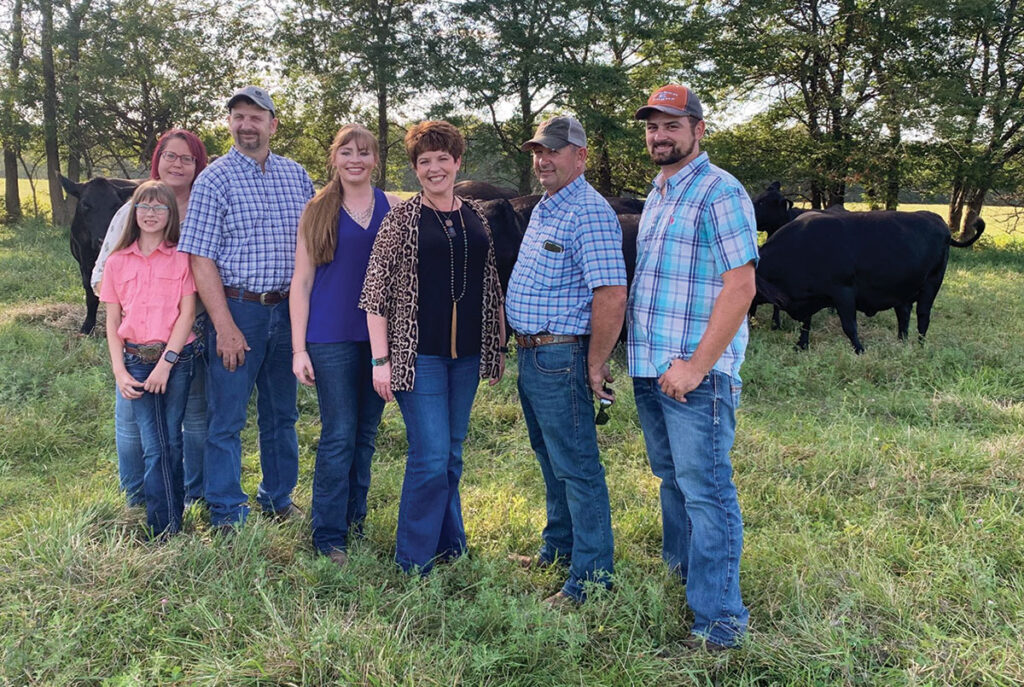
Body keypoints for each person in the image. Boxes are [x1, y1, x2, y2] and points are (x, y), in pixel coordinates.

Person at [629, 85, 759, 650]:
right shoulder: (659, 192)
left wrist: (698, 367)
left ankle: (720, 623)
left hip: (693, 376)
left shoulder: (719, 191)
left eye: (672, 125)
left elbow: (742, 285)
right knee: (673, 480)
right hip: (651, 366)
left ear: (698, 130)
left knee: (706, 490)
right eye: (653, 126)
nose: (660, 135)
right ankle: (684, 577)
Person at [359, 120, 506, 574]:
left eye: (443, 158)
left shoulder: (476, 216)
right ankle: (413, 560)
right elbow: (374, 293)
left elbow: (490, 284)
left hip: (465, 356)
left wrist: (497, 346)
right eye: (425, 161)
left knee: (452, 453)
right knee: (430, 455)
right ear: (415, 169)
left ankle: (451, 545)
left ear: (458, 162)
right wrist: (380, 360)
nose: (435, 167)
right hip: (416, 355)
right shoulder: (400, 219)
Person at [178, 86, 314, 531]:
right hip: (240, 310)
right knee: (228, 416)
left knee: (282, 413)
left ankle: (277, 496)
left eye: (255, 117)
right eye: (238, 116)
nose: (245, 124)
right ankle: (226, 507)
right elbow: (200, 258)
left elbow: (314, 248)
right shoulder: (214, 179)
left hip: (288, 310)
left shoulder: (296, 177)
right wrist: (226, 326)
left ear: (273, 125)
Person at [506, 115, 627, 606]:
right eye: (538, 151)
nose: (543, 160)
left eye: (553, 151)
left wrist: (595, 364)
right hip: (533, 354)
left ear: (581, 156)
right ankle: (558, 548)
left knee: (577, 466)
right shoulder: (547, 206)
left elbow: (612, 293)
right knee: (550, 458)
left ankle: (592, 580)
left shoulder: (589, 212)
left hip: (561, 354)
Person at [290, 124, 402, 567]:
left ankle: (355, 519)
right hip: (329, 336)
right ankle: (328, 534)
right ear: (334, 158)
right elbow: (302, 282)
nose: (355, 159)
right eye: (346, 152)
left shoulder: (392, 207)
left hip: (379, 339)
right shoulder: (317, 209)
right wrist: (298, 349)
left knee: (367, 435)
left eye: (364, 152)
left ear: (375, 159)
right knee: (339, 433)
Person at [93, 129, 210, 508]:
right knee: (130, 423)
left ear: (198, 166)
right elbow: (104, 276)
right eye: (170, 156)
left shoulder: (206, 206)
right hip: (137, 341)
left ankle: (191, 493)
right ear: (156, 160)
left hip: (192, 335)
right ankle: (137, 497)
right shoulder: (132, 210)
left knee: (193, 419)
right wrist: (141, 303)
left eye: (187, 158)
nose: (177, 164)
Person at [100, 181, 196, 537]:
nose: (151, 214)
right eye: (144, 206)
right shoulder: (117, 262)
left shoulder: (181, 257)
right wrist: (119, 371)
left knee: (170, 439)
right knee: (156, 445)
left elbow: (187, 314)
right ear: (133, 212)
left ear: (171, 214)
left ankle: (168, 523)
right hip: (136, 361)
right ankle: (165, 527)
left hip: (177, 361)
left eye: (160, 208)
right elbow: (111, 322)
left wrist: (166, 363)